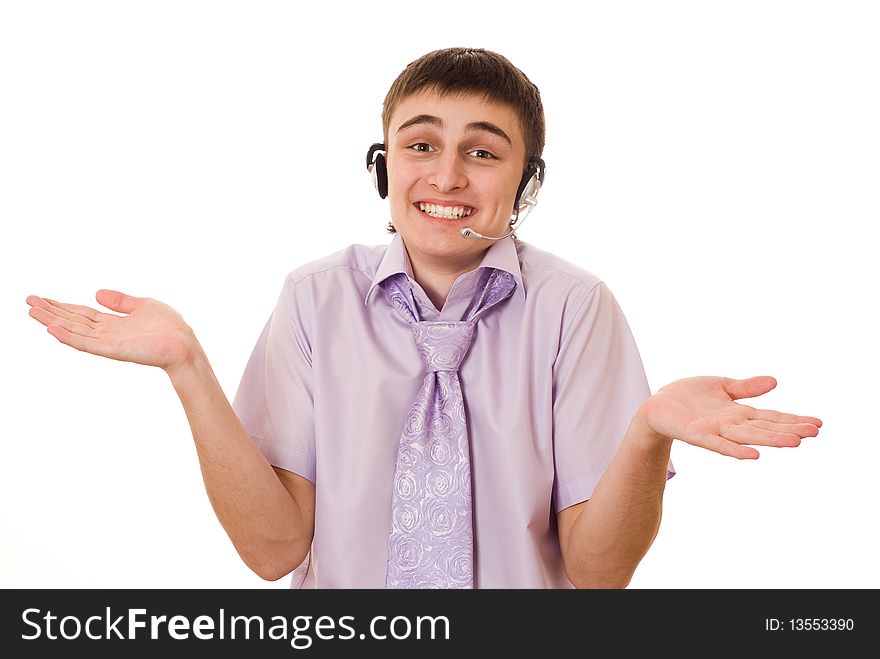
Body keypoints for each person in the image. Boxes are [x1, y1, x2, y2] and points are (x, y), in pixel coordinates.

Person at [25, 47, 822, 589]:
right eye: (419, 145)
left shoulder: (576, 307)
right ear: (384, 164)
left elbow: (598, 570)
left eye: (482, 150)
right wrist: (188, 367)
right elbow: (273, 552)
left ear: (525, 179)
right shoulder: (314, 297)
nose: (446, 174)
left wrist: (645, 432)